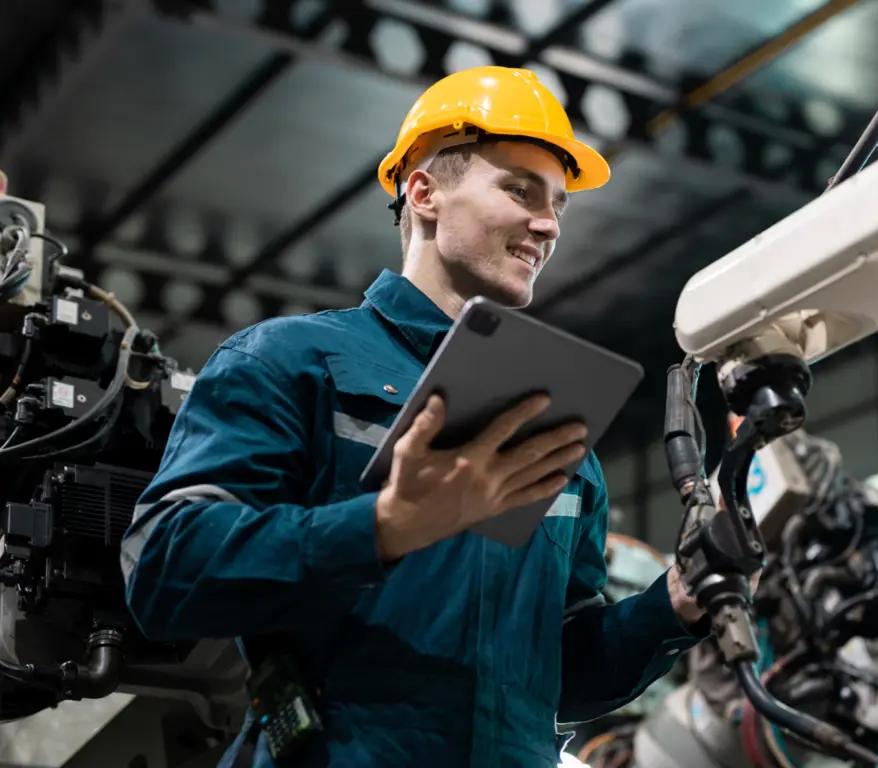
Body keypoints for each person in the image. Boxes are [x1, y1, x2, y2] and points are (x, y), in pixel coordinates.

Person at [120, 66, 712, 767]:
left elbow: (560, 675)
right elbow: (166, 568)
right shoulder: (291, 361)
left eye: (558, 205)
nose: (549, 225)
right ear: (424, 192)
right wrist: (383, 527)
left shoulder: (555, 433)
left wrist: (675, 603)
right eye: (519, 190)